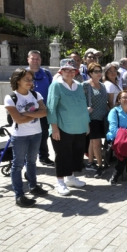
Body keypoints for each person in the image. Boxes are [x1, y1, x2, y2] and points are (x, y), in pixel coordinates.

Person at [4, 69, 48, 207]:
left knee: (32, 161)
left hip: (36, 133)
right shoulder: (11, 97)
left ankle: (33, 186)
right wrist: (35, 113)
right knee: (17, 165)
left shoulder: (36, 94)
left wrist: (25, 113)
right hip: (20, 137)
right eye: (26, 79)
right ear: (18, 81)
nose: (30, 82)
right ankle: (19, 195)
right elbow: (18, 119)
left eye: (31, 79)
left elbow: (45, 112)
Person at [47, 60, 90, 196]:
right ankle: (60, 182)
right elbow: (51, 108)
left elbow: (83, 106)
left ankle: (70, 178)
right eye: (67, 70)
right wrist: (54, 128)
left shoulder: (78, 85)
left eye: (73, 70)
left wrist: (86, 124)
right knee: (63, 155)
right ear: (61, 72)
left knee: (76, 154)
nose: (70, 73)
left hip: (79, 127)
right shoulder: (56, 86)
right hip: (62, 128)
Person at [25, 50, 54, 166]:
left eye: (38, 58)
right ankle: (29, 161)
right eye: (33, 58)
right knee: (29, 136)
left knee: (43, 134)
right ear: (28, 59)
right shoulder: (22, 74)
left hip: (43, 111)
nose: (35, 61)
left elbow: (52, 91)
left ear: (41, 60)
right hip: (27, 111)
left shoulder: (46, 74)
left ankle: (43, 157)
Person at [81, 63, 108, 178]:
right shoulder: (85, 85)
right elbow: (79, 101)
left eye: (99, 71)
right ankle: (100, 166)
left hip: (103, 117)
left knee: (93, 142)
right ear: (90, 73)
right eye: (96, 71)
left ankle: (90, 162)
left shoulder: (103, 85)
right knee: (96, 143)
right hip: (92, 118)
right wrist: (85, 108)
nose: (98, 73)